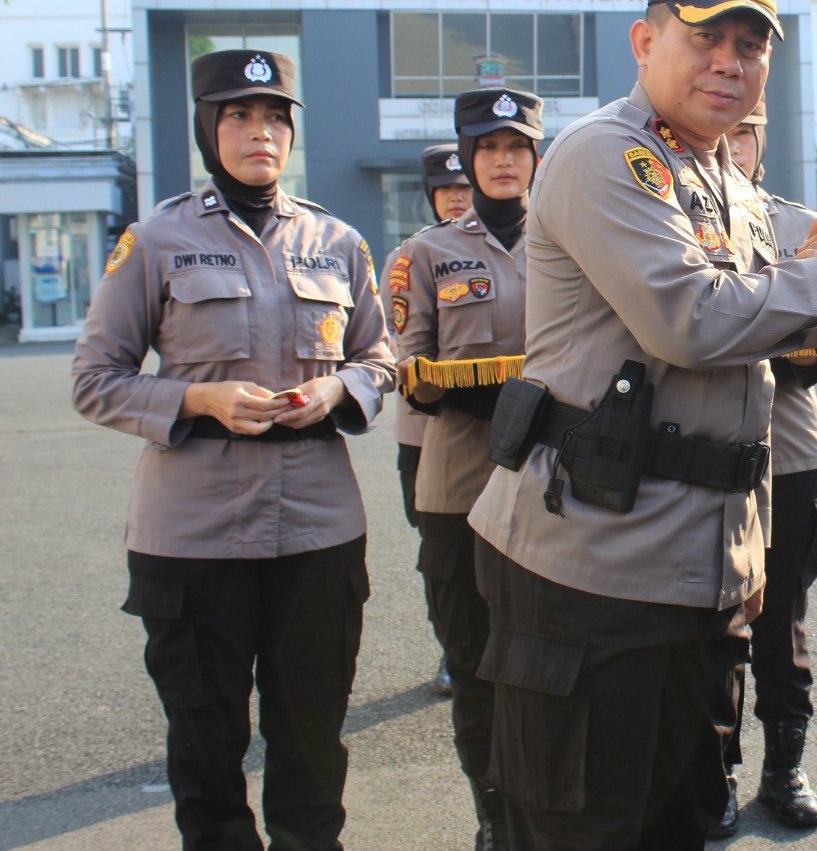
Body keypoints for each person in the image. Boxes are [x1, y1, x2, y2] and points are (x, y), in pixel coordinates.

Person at [465, 0, 817, 848]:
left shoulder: (725, 182)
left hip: (702, 573)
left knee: (685, 821)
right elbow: (690, 323)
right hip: (590, 571)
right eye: (706, 38)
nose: (730, 62)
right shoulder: (604, 158)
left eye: (751, 43)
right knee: (584, 826)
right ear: (644, 40)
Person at [70, 49, 394, 850]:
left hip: (316, 531)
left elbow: (381, 360)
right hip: (193, 538)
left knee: (313, 736)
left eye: (276, 117)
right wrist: (195, 398)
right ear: (207, 129)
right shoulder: (156, 241)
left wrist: (336, 392)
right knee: (206, 743)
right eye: (239, 115)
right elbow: (95, 379)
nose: (261, 132)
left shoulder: (337, 241)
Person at [392, 88, 542, 850]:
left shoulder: (572, 242)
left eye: (517, 147)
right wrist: (491, 386)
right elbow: (409, 368)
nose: (504, 160)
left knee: (548, 662)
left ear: (536, 156)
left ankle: (542, 809)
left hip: (554, 486)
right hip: (458, 486)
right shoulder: (426, 253)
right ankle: (492, 816)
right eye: (489, 148)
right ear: (470, 158)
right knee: (474, 661)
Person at [714, 101, 817, 836]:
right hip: (705, 454)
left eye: (746, 130)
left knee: (782, 617)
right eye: (720, 130)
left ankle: (784, 764)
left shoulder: (803, 228)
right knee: (715, 620)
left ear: (763, 137)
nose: (731, 145)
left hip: (789, 451)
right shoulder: (669, 211)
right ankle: (714, 770)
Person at [381, 142, 472, 699]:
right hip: (425, 435)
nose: (458, 198)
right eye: (447, 191)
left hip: (504, 431)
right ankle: (452, 645)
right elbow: (398, 348)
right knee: (441, 552)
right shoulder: (412, 258)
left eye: (464, 188)